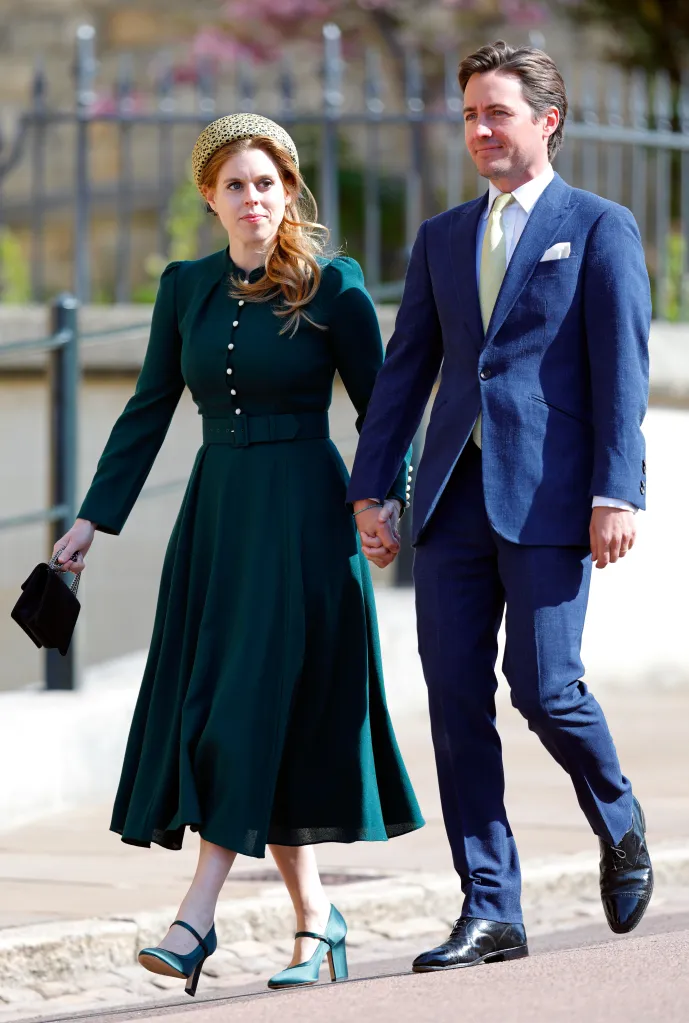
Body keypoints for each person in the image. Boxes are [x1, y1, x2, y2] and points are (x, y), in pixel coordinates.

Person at [53, 113, 423, 996]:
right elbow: (147, 410)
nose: (253, 198)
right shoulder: (183, 288)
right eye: (235, 185)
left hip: (304, 521)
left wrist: (384, 504)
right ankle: (316, 920)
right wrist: (91, 520)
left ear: (288, 189)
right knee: (254, 714)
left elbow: (384, 410)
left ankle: (194, 919)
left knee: (246, 709)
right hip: (217, 522)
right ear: (208, 198)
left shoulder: (332, 285)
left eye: (267, 182)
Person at [347, 41, 653, 971]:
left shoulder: (598, 226)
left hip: (556, 499)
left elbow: (623, 372)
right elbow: (406, 374)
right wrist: (372, 486)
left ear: (545, 120)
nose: (479, 130)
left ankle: (620, 817)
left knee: (543, 686)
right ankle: (492, 906)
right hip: (450, 503)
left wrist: (616, 490)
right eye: (470, 115)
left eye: (498, 114)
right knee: (452, 700)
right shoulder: (443, 236)